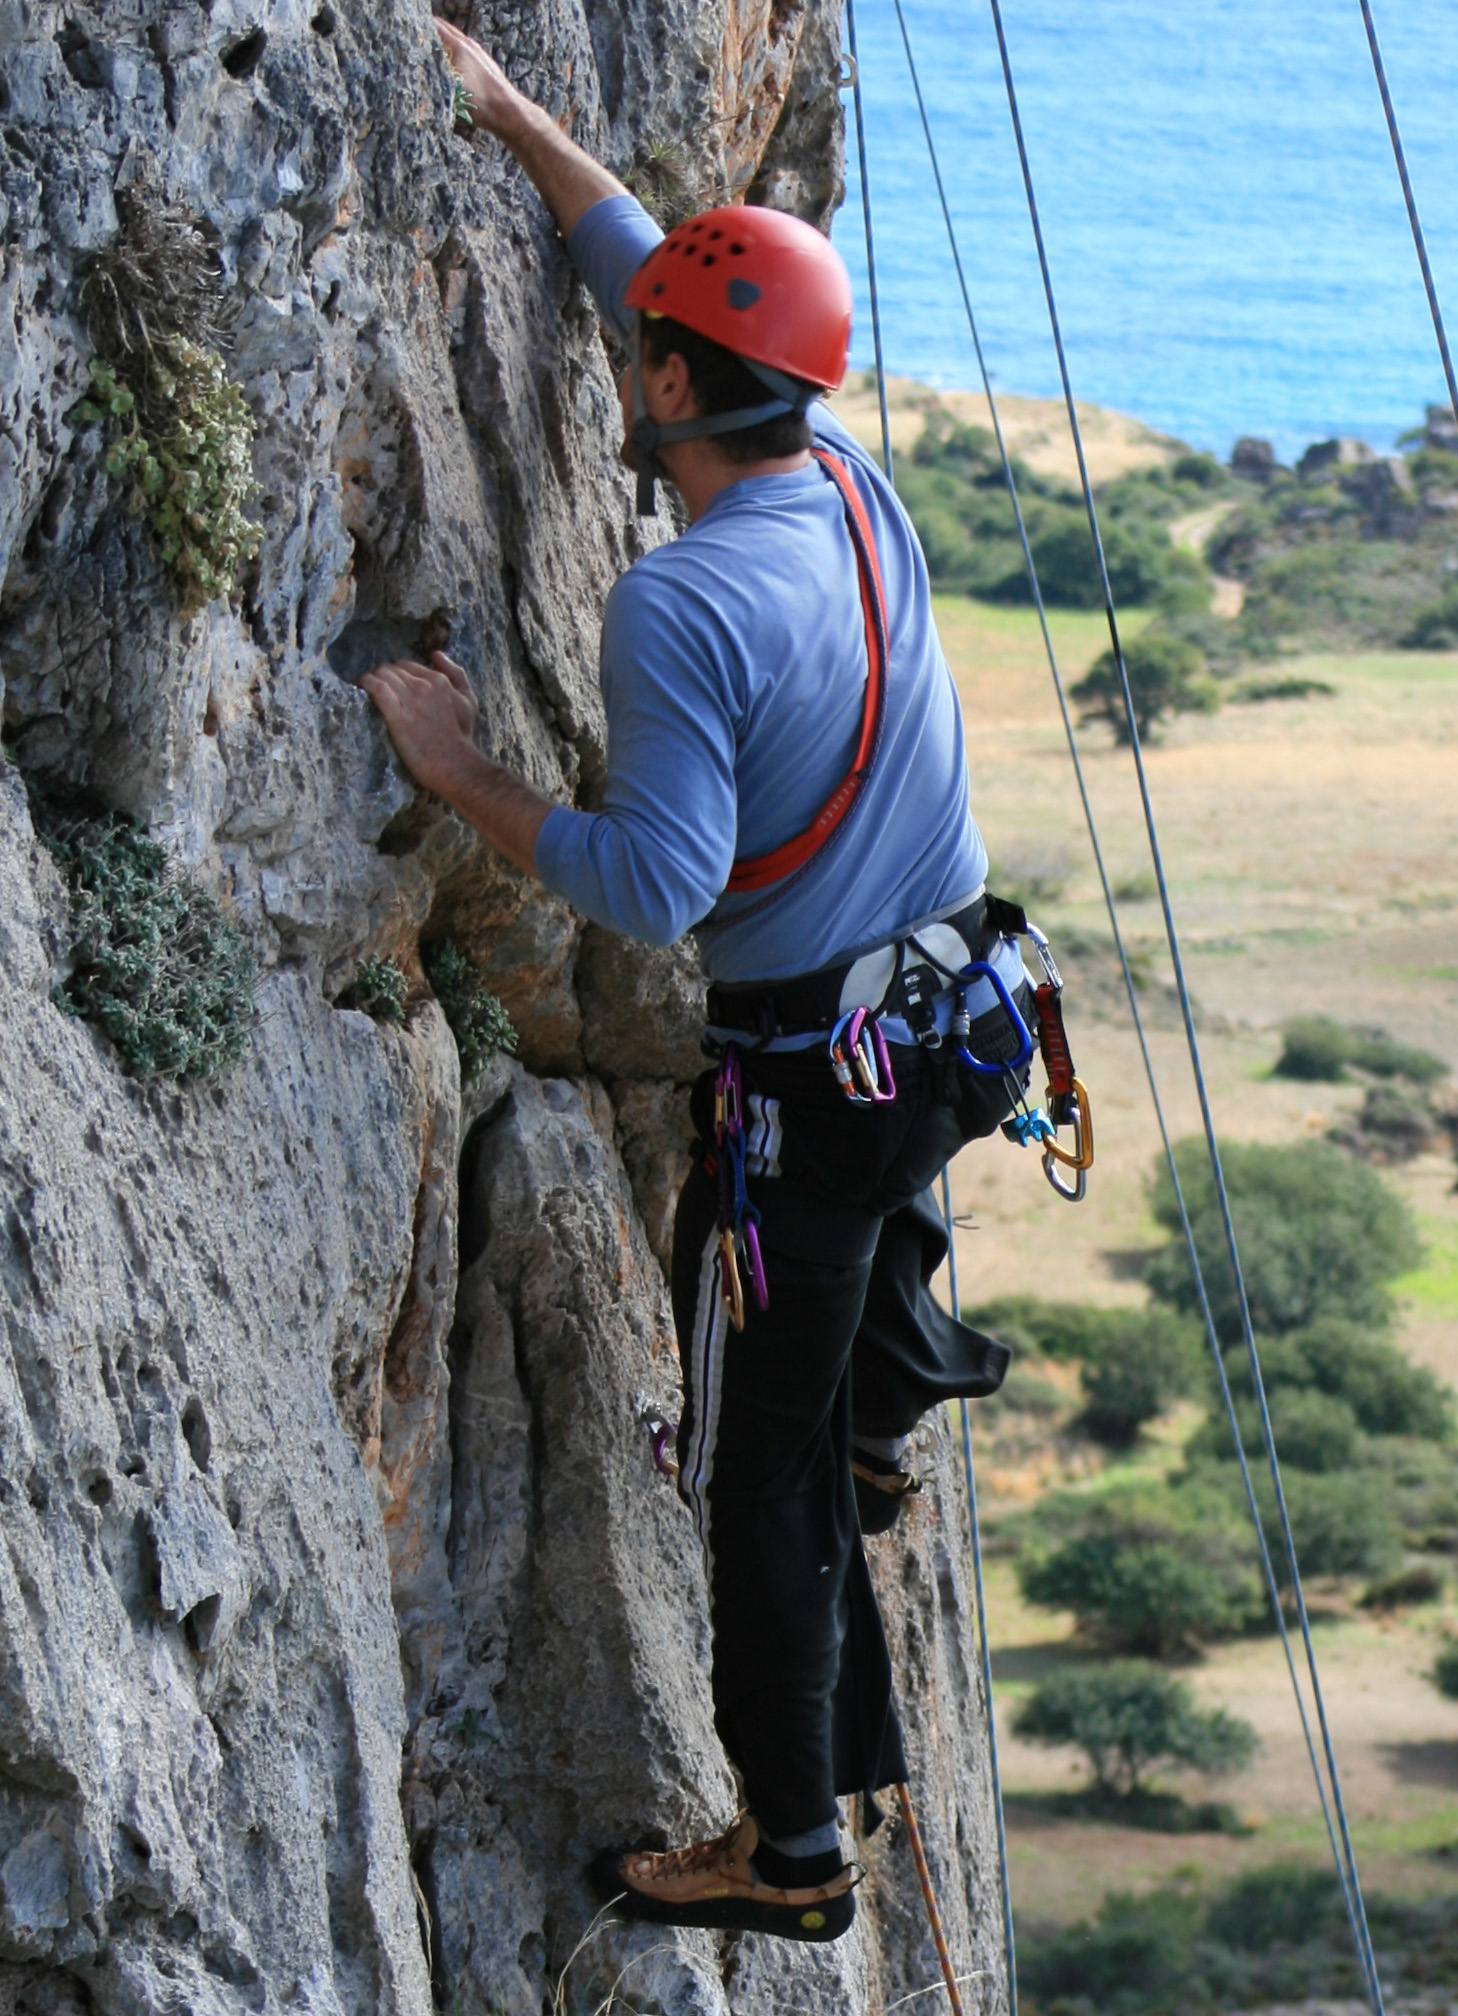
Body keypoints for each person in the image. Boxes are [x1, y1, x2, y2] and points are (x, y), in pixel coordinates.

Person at [363, 22, 1029, 1944]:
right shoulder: (847, 488)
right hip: (951, 1008)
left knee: (755, 1474)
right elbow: (664, 276)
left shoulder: (682, 600)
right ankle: (886, 1418)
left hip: (814, 1087)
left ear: (668, 389)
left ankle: (792, 1852)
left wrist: (463, 772)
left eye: (644, 355)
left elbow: (654, 889)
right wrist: (515, 121)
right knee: (869, 1291)